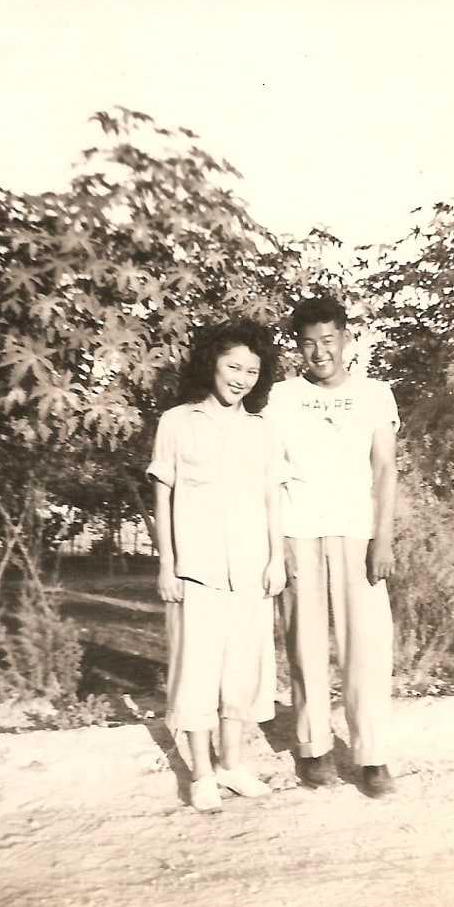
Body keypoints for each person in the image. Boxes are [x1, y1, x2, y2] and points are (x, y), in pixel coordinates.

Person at [147, 319, 285, 813]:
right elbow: (162, 499)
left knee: (243, 672)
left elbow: (272, 498)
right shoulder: (177, 422)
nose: (242, 378)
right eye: (233, 366)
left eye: (252, 370)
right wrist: (167, 565)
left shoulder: (263, 430)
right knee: (198, 672)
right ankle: (202, 774)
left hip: (251, 571)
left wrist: (277, 559)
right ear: (211, 364)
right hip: (196, 572)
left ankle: (231, 764)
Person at [267, 294, 399, 798]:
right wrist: (275, 543)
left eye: (328, 340)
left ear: (345, 338)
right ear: (297, 348)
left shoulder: (375, 394)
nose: (319, 352)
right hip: (298, 530)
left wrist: (382, 538)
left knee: (365, 648)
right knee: (304, 645)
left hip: (356, 533)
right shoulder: (281, 397)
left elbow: (385, 468)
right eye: (307, 344)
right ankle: (314, 748)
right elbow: (271, 472)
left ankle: (371, 755)